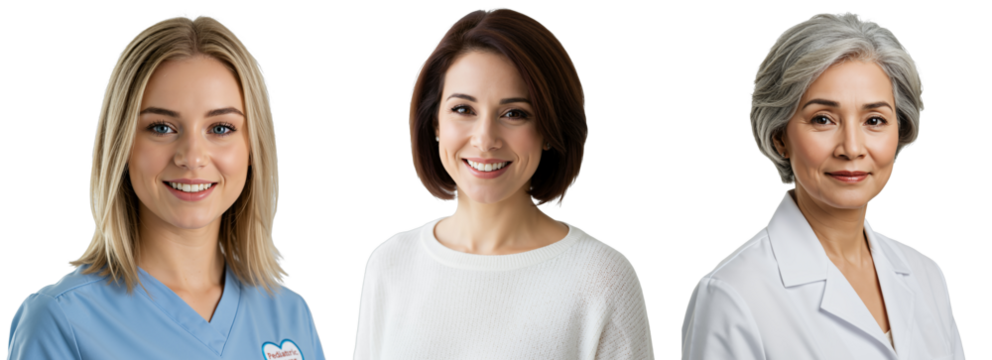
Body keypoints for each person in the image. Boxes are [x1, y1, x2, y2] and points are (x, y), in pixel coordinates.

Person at [6, 15, 324, 360]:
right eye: (161, 127)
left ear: (253, 148)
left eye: (220, 128)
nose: (192, 157)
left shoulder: (289, 315)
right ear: (122, 145)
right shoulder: (61, 320)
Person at [352, 7, 654, 359]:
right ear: (434, 123)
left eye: (515, 114)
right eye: (463, 109)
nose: (485, 138)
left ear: (548, 131)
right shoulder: (389, 264)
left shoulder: (601, 279)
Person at [680, 11, 965, 359]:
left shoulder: (927, 275)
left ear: (900, 129)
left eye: (874, 120)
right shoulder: (732, 293)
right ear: (780, 136)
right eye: (823, 119)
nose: (852, 148)